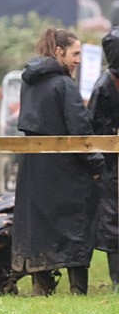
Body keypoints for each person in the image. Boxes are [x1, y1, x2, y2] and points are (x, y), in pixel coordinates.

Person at [13, 27, 103, 295]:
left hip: (34, 168)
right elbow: (80, 131)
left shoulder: (28, 83)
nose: (78, 60)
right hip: (66, 170)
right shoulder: (64, 84)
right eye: (75, 54)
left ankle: (41, 289)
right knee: (75, 227)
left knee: (39, 226)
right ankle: (78, 291)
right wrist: (96, 164)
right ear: (59, 52)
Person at [87, 27, 119, 293]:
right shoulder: (105, 85)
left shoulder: (105, 83)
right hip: (112, 166)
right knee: (113, 222)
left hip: (112, 166)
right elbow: (95, 130)